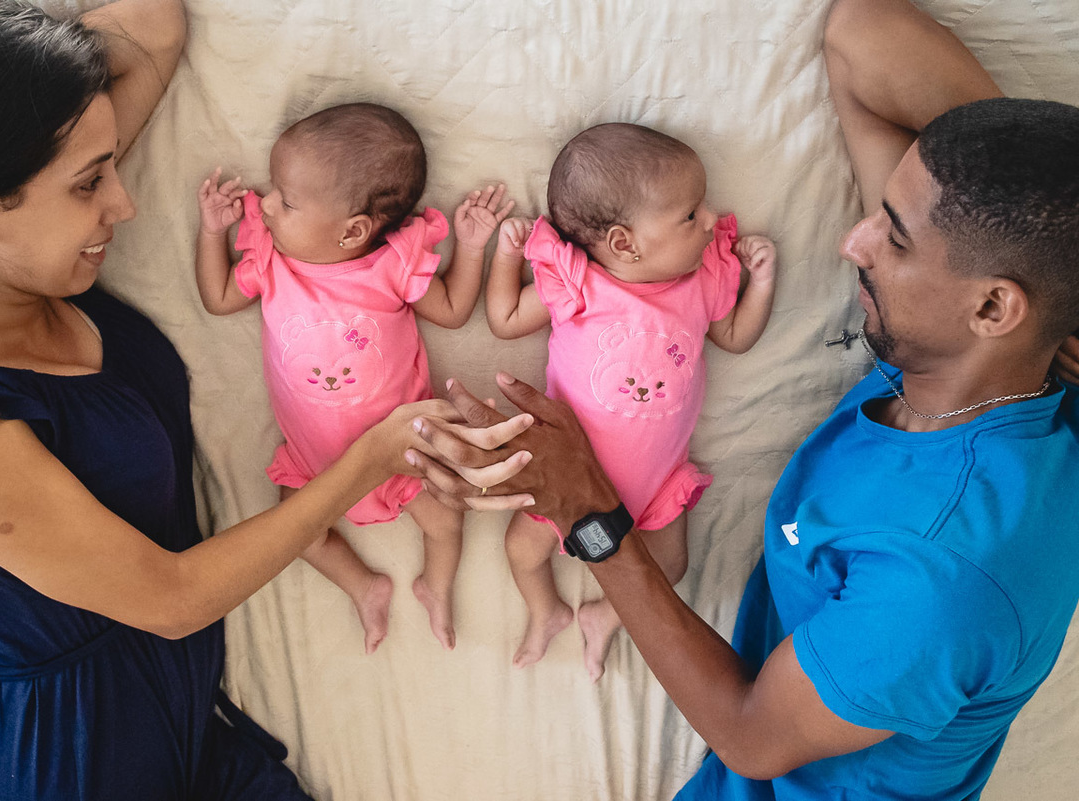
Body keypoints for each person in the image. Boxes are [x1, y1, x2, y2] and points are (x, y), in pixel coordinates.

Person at [407, 0, 1079, 796]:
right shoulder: (993, 360)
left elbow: (757, 737)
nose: (852, 242)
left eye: (893, 236)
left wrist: (590, 513)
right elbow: (859, 34)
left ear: (995, 308)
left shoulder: (943, 577)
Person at [0, 2, 530, 798]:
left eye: (111, 165)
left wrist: (4, 56)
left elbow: (154, 26)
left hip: (186, 739)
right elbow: (172, 598)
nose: (125, 203)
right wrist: (375, 455)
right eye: (91, 182)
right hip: (74, 774)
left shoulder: (17, 254)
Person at [195, 104, 513, 653]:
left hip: (404, 453)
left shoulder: (390, 264)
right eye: (273, 190)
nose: (264, 203)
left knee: (444, 520)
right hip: (313, 460)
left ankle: (436, 586)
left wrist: (472, 246)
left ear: (353, 231)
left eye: (286, 200)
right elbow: (219, 298)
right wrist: (210, 234)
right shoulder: (272, 259)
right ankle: (363, 586)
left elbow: (455, 310)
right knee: (292, 532)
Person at [485, 123, 776, 677]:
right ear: (624, 242)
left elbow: (736, 337)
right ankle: (545, 611)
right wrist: (505, 254)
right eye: (691, 215)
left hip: (656, 482)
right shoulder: (579, 284)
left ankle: (604, 616)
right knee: (522, 550)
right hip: (567, 473)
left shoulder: (699, 280)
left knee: (671, 566)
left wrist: (759, 283)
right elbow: (502, 321)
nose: (712, 219)